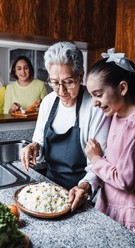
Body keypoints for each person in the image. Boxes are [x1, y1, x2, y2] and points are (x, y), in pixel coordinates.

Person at [21, 41, 111, 208]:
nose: (61, 90)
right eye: (54, 82)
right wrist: (34, 147)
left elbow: (99, 163)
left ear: (80, 75)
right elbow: (40, 153)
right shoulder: (48, 102)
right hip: (50, 194)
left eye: (68, 82)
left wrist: (84, 187)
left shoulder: (95, 107)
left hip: (82, 197)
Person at [83, 48, 135, 243]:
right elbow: (114, 162)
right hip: (110, 209)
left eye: (98, 94)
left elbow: (126, 180)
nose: (94, 103)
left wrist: (96, 159)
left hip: (129, 217)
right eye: (92, 96)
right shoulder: (116, 116)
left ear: (122, 88)